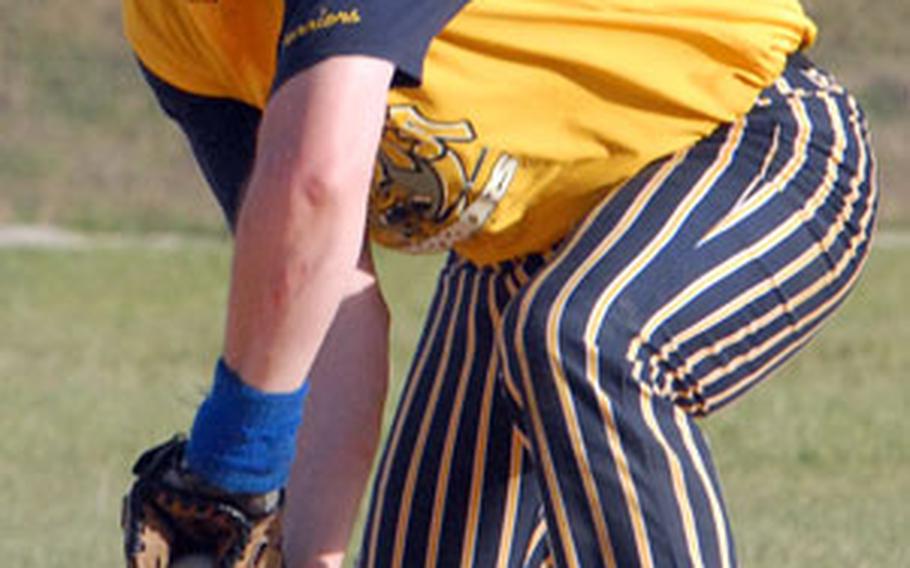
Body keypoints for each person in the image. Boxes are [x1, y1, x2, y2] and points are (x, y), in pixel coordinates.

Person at [119, 0, 878, 566]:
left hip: (758, 140)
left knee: (582, 337)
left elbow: (317, 184)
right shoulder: (174, 24)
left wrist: (229, 467)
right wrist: (298, 550)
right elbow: (324, 304)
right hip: (523, 252)